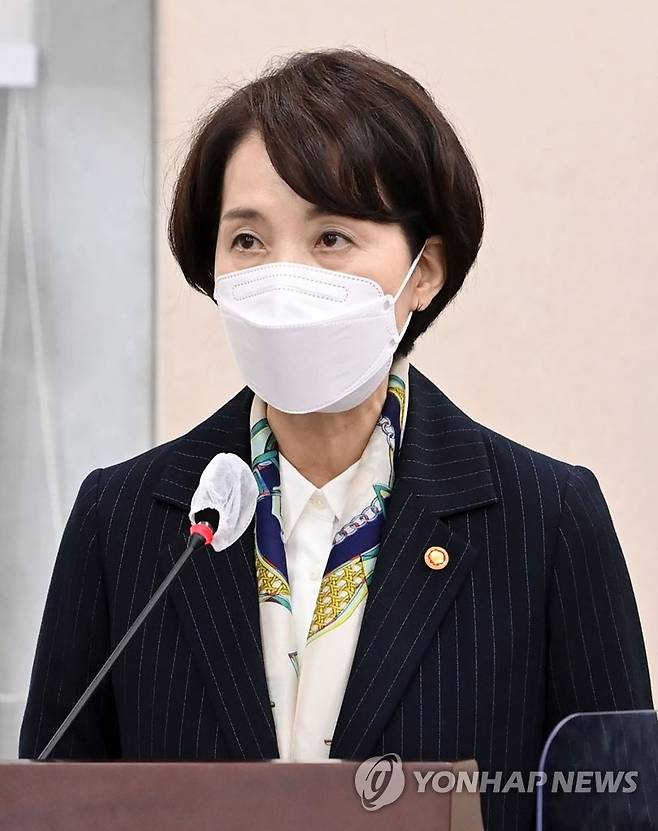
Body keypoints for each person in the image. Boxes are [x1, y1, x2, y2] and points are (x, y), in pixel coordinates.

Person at [19, 48, 653, 831]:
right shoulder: (122, 519)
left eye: (330, 238)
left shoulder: (547, 519)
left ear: (424, 272)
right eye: (247, 241)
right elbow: (49, 802)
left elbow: (617, 807)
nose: (284, 275)